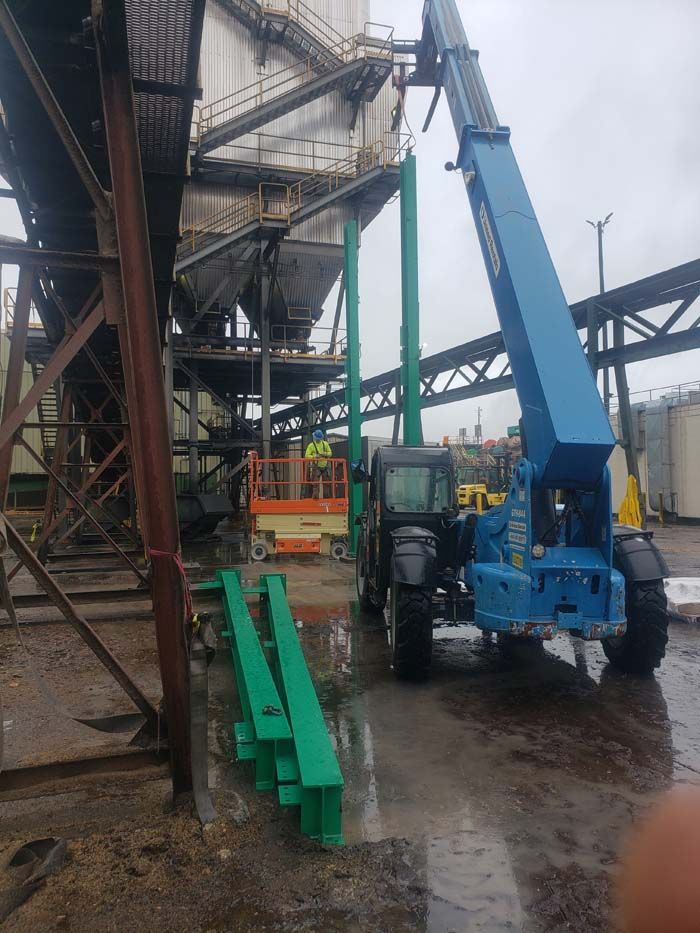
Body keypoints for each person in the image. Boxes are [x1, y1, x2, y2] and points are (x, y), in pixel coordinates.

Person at [305, 429, 333, 497]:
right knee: (316, 483)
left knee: (326, 483)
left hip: (325, 467)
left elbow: (330, 453)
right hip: (316, 467)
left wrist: (324, 454)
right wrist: (315, 456)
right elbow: (307, 456)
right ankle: (315, 497)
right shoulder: (311, 445)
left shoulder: (325, 444)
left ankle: (326, 497)